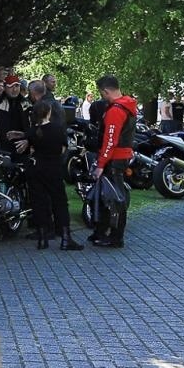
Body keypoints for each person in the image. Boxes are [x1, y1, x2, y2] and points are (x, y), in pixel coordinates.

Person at [27, 98, 82, 251]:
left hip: (36, 168)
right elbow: (62, 150)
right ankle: (65, 237)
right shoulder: (57, 129)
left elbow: (31, 149)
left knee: (39, 203)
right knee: (59, 202)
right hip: (53, 168)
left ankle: (42, 238)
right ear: (49, 112)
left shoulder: (32, 131)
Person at [90, 75, 137, 248]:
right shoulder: (128, 105)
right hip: (122, 156)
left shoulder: (115, 110)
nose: (102, 97)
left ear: (106, 91)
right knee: (113, 196)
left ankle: (116, 237)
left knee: (114, 198)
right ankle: (101, 231)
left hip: (114, 159)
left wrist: (100, 165)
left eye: (102, 93)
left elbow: (110, 140)